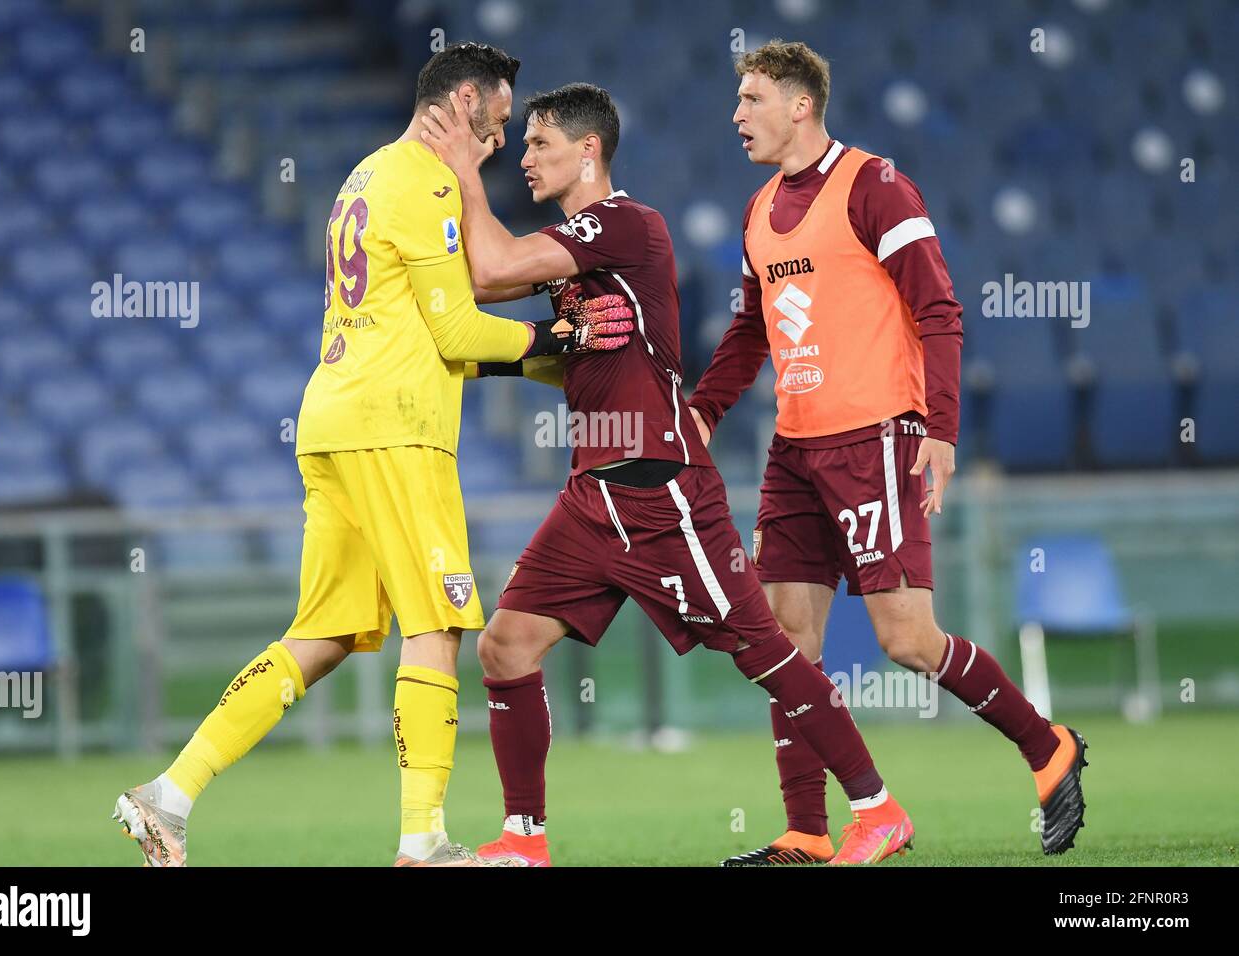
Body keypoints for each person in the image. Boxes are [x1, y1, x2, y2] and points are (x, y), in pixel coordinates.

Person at [111, 43, 633, 868]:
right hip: (397, 430)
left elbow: (435, 329)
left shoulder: (364, 176)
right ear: (463, 103)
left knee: (319, 636)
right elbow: (458, 331)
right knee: (438, 624)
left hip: (331, 422)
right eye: (497, 123)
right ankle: (422, 842)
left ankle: (167, 796)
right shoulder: (427, 184)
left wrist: (549, 361)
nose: (499, 143)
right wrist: (560, 335)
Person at [422, 81, 914, 867]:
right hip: (593, 497)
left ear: (588, 150)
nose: (526, 156)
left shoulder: (625, 225)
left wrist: (461, 169)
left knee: (770, 654)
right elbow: (558, 340)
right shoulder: (579, 255)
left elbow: (487, 271)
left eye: (538, 143)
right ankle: (524, 841)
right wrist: (540, 344)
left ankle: (877, 807)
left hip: (660, 491)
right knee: (505, 646)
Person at [687, 39, 1087, 864]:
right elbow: (750, 330)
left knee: (907, 639)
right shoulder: (759, 209)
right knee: (783, 646)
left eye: (752, 99)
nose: (737, 115)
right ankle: (806, 830)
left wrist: (939, 428)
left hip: (878, 441)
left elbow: (939, 309)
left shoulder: (874, 185)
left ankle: (1047, 745)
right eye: (737, 100)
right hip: (794, 452)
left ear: (801, 104)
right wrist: (701, 413)